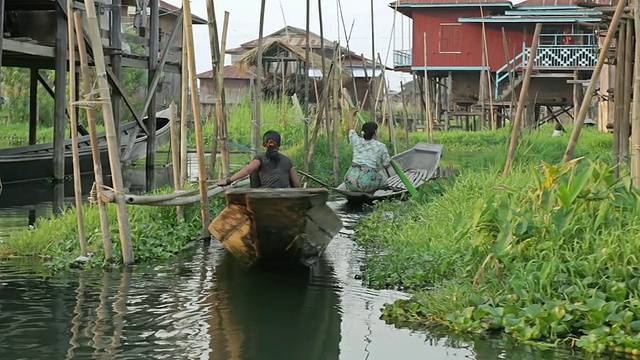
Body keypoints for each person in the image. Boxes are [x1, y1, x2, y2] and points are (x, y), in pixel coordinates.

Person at [216, 130, 301, 188]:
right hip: (286, 196)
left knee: (253, 170)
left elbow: (248, 169)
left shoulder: (260, 158)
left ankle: (255, 193)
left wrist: (228, 181)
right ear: (279, 145)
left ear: (264, 144)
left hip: (265, 196)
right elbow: (297, 184)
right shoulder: (288, 161)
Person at [344, 109, 391, 193]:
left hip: (349, 179)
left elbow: (351, 130)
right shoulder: (381, 146)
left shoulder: (357, 141)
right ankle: (373, 194)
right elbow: (386, 164)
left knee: (368, 177)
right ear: (375, 132)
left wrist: (350, 116)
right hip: (365, 183)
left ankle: (353, 189)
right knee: (384, 180)